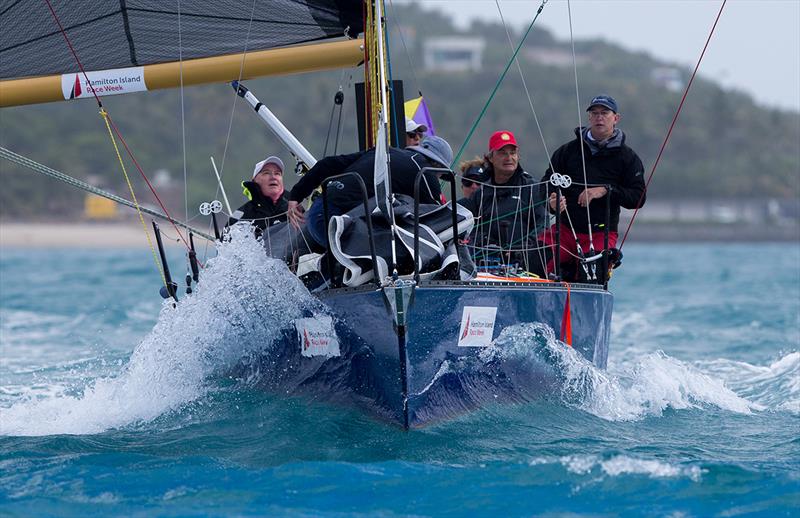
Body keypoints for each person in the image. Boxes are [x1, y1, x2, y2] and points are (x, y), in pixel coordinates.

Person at [541, 94, 646, 280]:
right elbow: (546, 184)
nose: (599, 117)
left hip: (601, 233)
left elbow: (638, 198)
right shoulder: (567, 151)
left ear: (616, 118)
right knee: (535, 259)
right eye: (595, 113)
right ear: (589, 118)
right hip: (564, 230)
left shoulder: (627, 157)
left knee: (592, 273)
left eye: (605, 113)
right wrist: (551, 202)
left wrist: (606, 190)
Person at [287, 135, 451, 247]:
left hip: (318, 213)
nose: (438, 179)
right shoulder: (425, 171)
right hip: (340, 221)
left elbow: (327, 164)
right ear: (437, 165)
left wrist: (295, 196)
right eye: (441, 175)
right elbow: (439, 219)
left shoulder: (383, 151)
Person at [459, 131, 553, 274]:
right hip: (487, 266)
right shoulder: (482, 191)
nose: (509, 158)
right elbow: (471, 228)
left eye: (512, 153)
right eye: (502, 153)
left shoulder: (531, 187)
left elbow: (543, 225)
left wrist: (521, 249)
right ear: (490, 157)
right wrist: (483, 243)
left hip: (525, 267)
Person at [227, 155, 289, 233]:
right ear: (254, 180)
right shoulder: (241, 214)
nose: (273, 177)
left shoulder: (295, 209)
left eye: (277, 173)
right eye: (266, 173)